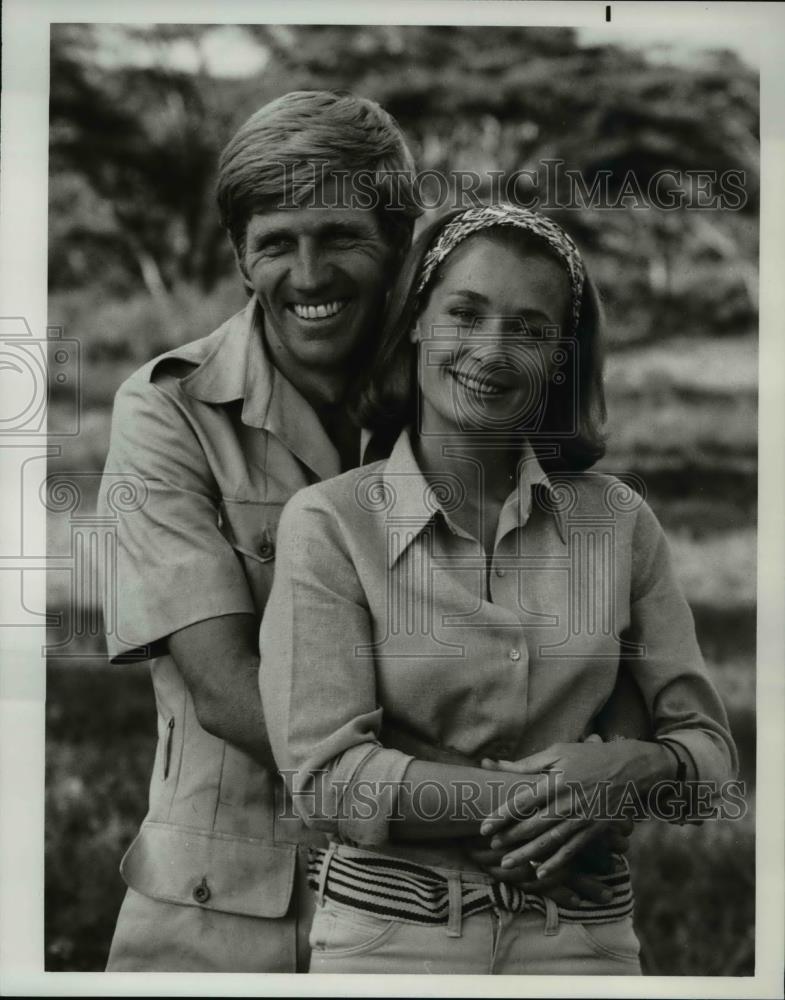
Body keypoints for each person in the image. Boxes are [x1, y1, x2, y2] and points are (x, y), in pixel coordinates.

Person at [258, 204, 738, 975]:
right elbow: (326, 781)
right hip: (390, 942)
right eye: (465, 313)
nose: (490, 349)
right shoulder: (332, 523)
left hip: (584, 936)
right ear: (415, 319)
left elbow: (707, 760)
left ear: (558, 357)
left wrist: (637, 770)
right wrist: (569, 798)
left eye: (529, 328)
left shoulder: (616, 522)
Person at [96, 90, 422, 972]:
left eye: (341, 237)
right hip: (219, 915)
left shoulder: (458, 400)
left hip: (434, 906)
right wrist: (482, 789)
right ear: (241, 258)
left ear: (397, 243)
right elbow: (225, 688)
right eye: (276, 243)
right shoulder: (166, 409)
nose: (308, 276)